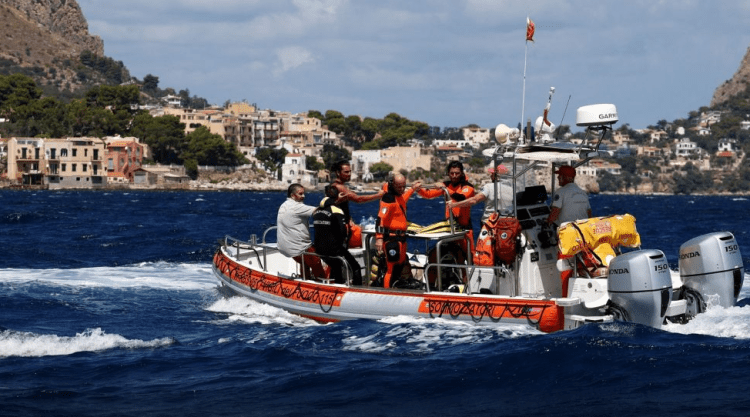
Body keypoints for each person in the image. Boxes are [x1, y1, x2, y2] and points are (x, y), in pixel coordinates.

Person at [417, 160, 476, 254]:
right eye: (452, 173)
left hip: (464, 229)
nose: (454, 176)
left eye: (457, 173)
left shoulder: (468, 187)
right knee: (446, 253)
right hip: (450, 228)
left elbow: (460, 198)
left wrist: (445, 189)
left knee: (470, 255)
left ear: (461, 173)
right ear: (448, 173)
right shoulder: (446, 185)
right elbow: (429, 194)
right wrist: (418, 189)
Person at [374, 173, 422, 288]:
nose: (402, 189)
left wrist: (412, 189)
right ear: (392, 185)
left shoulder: (398, 197)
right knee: (390, 268)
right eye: (399, 186)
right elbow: (381, 219)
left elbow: (402, 201)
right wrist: (379, 238)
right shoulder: (388, 198)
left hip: (401, 239)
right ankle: (386, 292)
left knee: (400, 266)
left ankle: (397, 288)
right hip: (391, 239)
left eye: (403, 186)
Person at [313, 186, 363, 285]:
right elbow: (342, 232)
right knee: (355, 267)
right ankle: (357, 287)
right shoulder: (336, 210)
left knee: (335, 266)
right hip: (333, 250)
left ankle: (336, 284)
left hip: (319, 249)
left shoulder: (317, 210)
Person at [330, 160, 385, 248]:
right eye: (346, 172)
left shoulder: (334, 186)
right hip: (340, 228)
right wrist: (378, 195)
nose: (349, 174)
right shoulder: (339, 187)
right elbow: (358, 199)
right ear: (338, 173)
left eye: (350, 171)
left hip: (340, 225)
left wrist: (349, 219)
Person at [277, 183, 327, 279]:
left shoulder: (283, 205)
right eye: (300, 194)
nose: (303, 196)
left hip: (286, 247)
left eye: (304, 193)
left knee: (304, 261)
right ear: (292, 195)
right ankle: (322, 281)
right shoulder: (297, 207)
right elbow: (320, 211)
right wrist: (331, 202)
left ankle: (305, 278)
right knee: (316, 262)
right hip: (300, 248)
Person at [446, 164, 514, 223]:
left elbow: (474, 200)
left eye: (492, 174)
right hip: (508, 223)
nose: (491, 175)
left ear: (496, 176)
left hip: (491, 223)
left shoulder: (489, 187)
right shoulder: (512, 188)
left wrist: (454, 204)